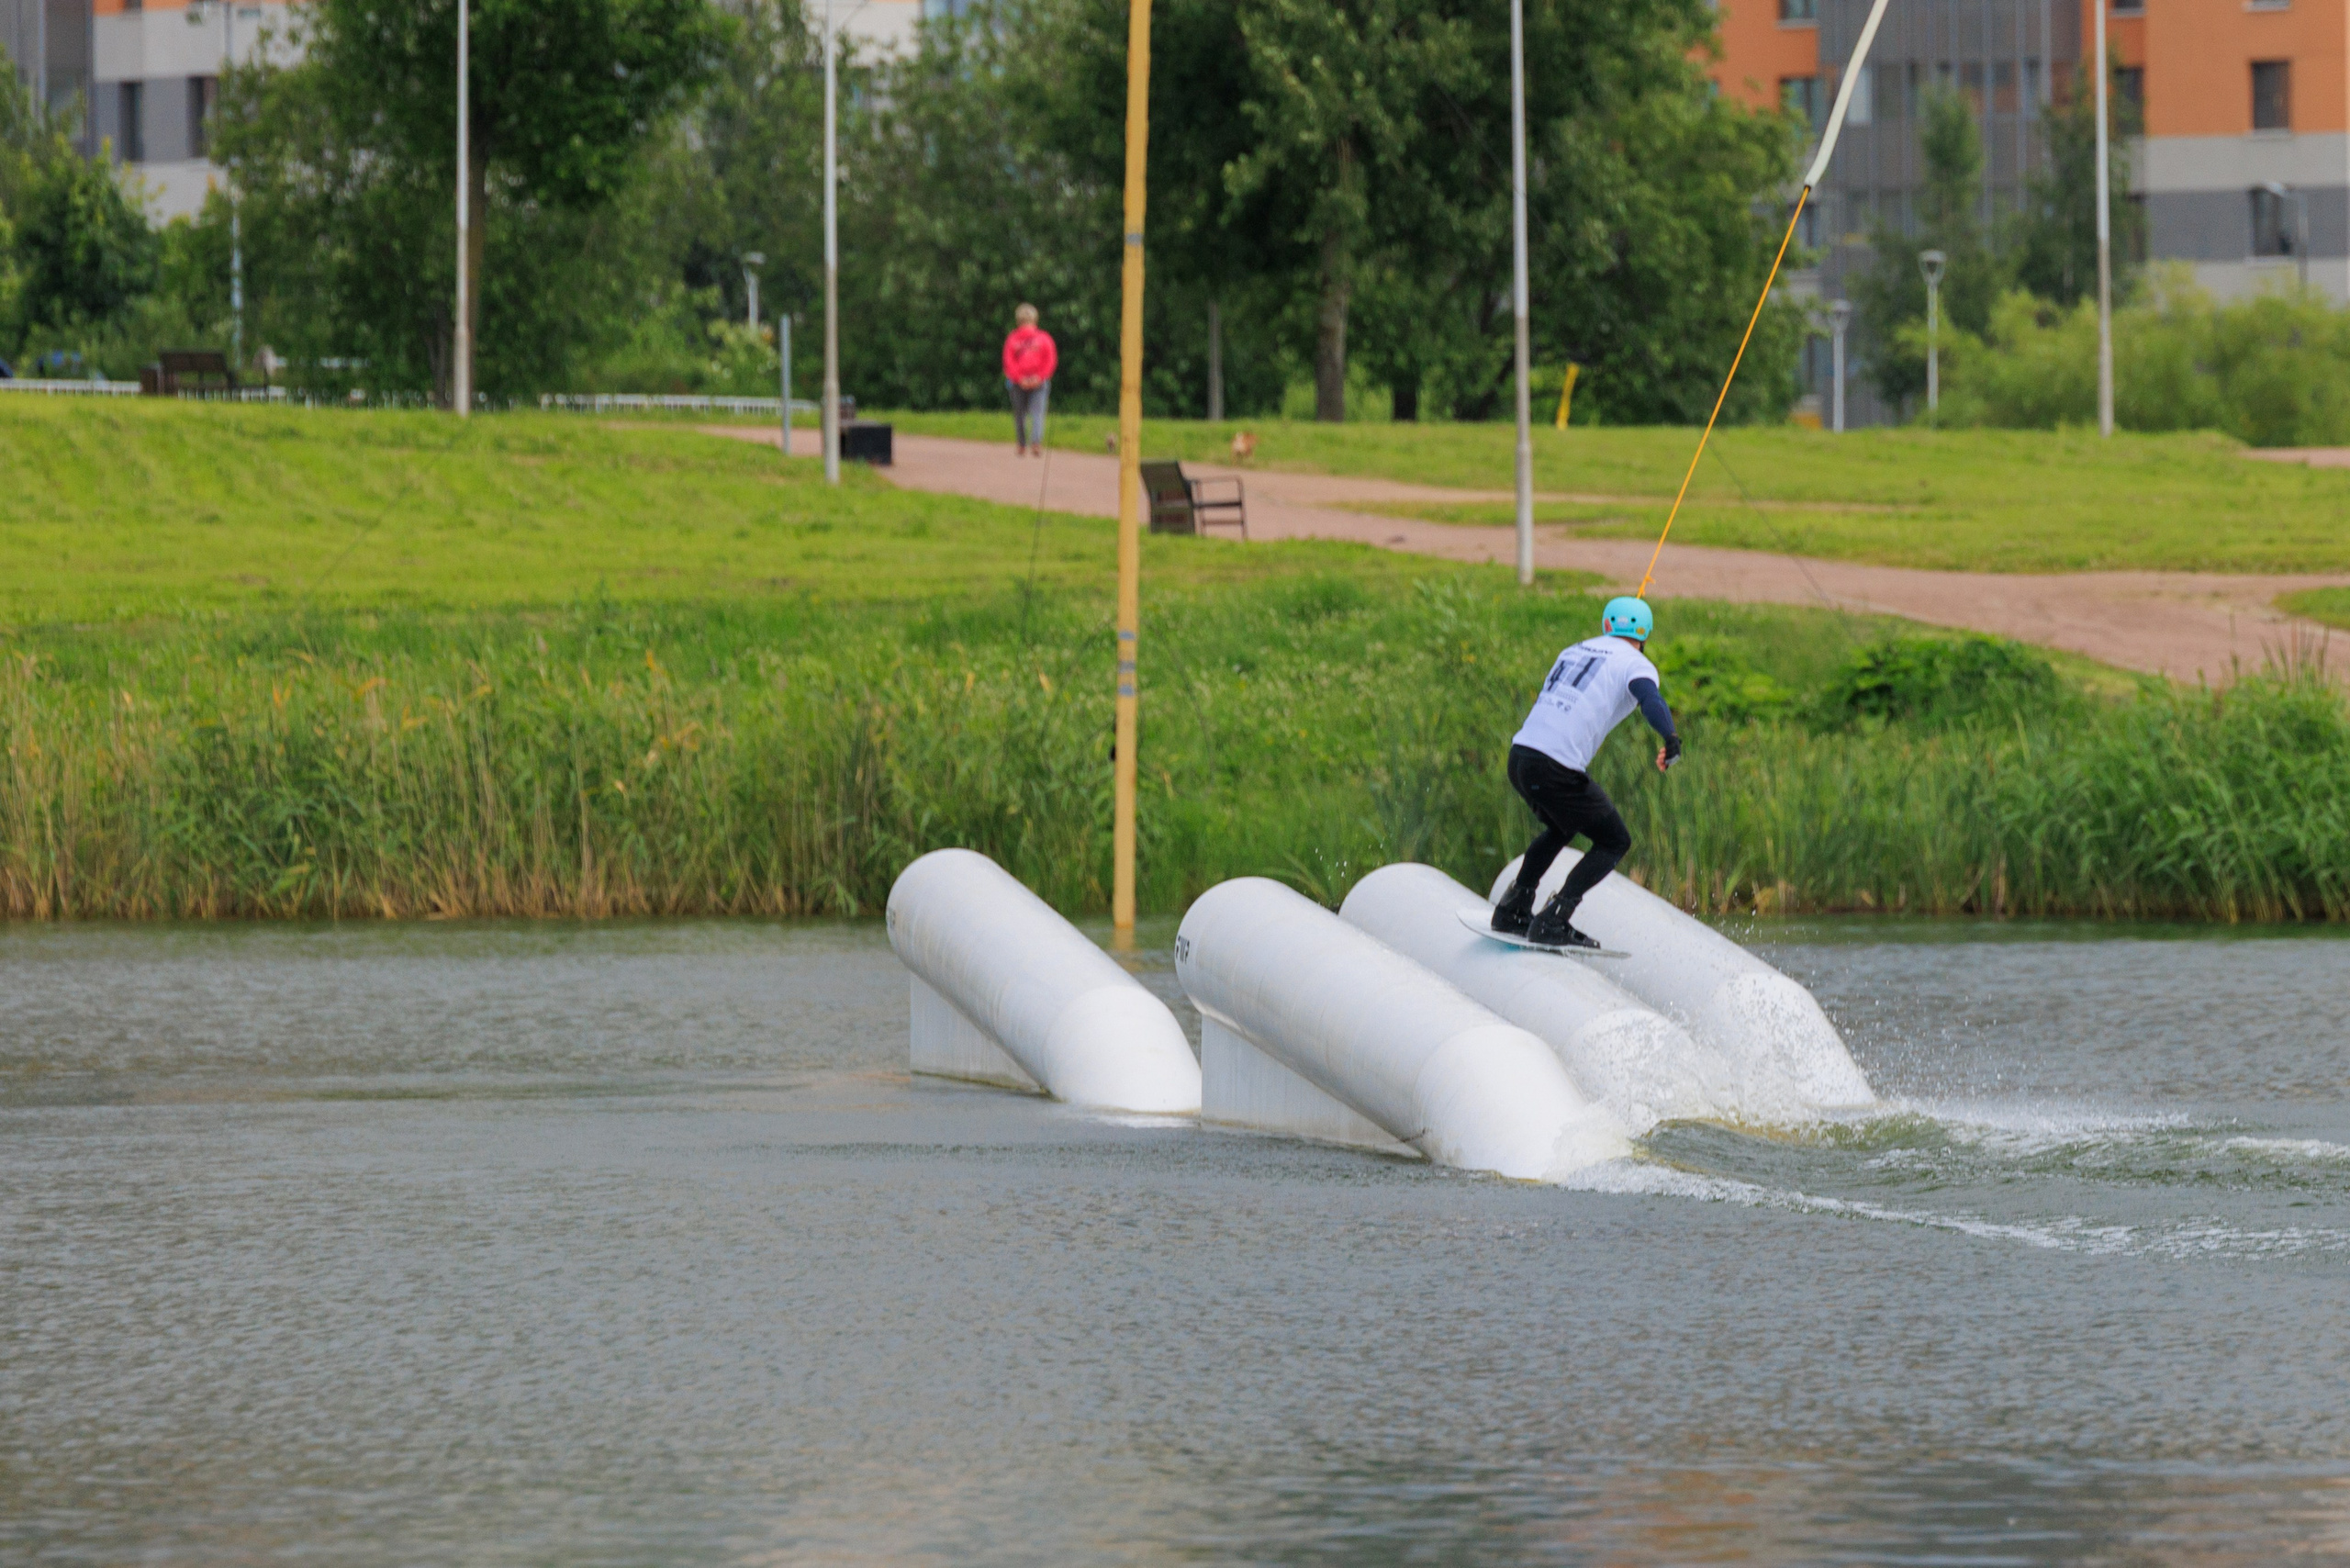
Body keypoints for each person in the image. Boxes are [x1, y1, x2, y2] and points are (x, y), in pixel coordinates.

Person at [1491, 596, 1682, 950]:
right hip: (1554, 766)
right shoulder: (1635, 663)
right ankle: (1554, 919)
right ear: (1645, 634)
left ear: (1607, 626)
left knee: (1562, 826)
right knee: (1614, 840)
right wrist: (1669, 737)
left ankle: (1512, 909)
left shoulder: (1573, 650)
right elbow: (1650, 699)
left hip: (1520, 757)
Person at [1002, 304, 1058, 457]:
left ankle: (1021, 445)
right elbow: (1050, 360)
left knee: (1019, 414)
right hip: (1038, 382)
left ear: (1018, 321)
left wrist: (1020, 378)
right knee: (1038, 413)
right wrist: (1039, 377)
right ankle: (1036, 443)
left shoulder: (1012, 338)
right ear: (1035, 320)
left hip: (1018, 382)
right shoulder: (1044, 338)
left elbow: (1008, 362)